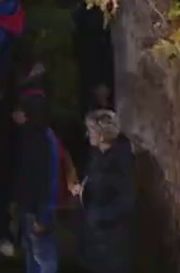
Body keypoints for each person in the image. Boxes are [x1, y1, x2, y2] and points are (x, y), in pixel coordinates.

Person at [74, 109, 134, 273]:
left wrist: (97, 215)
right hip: (95, 238)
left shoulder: (120, 162)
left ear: (101, 135)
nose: (88, 135)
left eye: (91, 131)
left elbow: (125, 200)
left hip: (110, 242)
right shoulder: (97, 155)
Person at [13, 89, 62, 273]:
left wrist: (43, 217)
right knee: (32, 256)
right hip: (29, 209)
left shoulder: (44, 140)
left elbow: (49, 181)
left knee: (44, 258)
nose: (15, 114)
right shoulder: (27, 135)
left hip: (39, 211)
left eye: (19, 110)